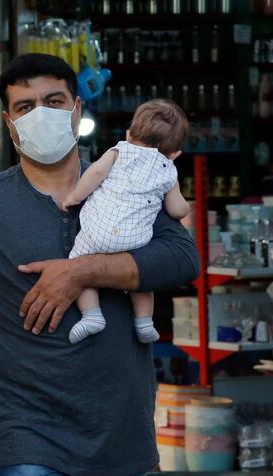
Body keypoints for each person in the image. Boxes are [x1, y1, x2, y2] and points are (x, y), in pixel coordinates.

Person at [0, 54, 199, 476]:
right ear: (8, 122)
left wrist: (80, 272)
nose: (41, 114)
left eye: (53, 102)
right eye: (25, 106)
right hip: (30, 433)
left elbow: (182, 259)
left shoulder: (132, 180)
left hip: (121, 430)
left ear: (77, 109)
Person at [61, 99, 191, 344]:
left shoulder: (119, 150)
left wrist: (74, 196)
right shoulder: (168, 169)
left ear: (130, 135)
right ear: (174, 154)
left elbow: (95, 174)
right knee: (142, 277)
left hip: (98, 231)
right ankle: (144, 322)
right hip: (135, 239)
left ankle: (91, 315)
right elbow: (176, 209)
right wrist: (185, 205)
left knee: (78, 262)